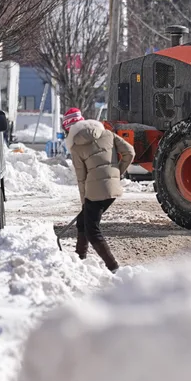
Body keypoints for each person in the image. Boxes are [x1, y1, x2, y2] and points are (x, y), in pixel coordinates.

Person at [61, 108, 135, 272]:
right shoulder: (108, 134)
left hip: (94, 192)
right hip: (112, 189)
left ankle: (114, 267)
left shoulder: (76, 148)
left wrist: (83, 202)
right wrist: (117, 173)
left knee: (92, 230)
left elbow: (82, 179)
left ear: (68, 128)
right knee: (83, 221)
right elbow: (130, 152)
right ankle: (80, 257)